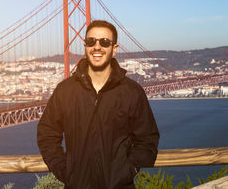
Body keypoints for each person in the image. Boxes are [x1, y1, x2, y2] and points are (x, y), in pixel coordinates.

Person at [37, 20, 160, 189]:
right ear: (85, 46)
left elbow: (148, 138)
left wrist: (128, 170)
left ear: (114, 49)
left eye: (104, 42)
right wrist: (65, 170)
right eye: (91, 41)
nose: (97, 47)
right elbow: (47, 134)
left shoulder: (132, 91)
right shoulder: (65, 90)